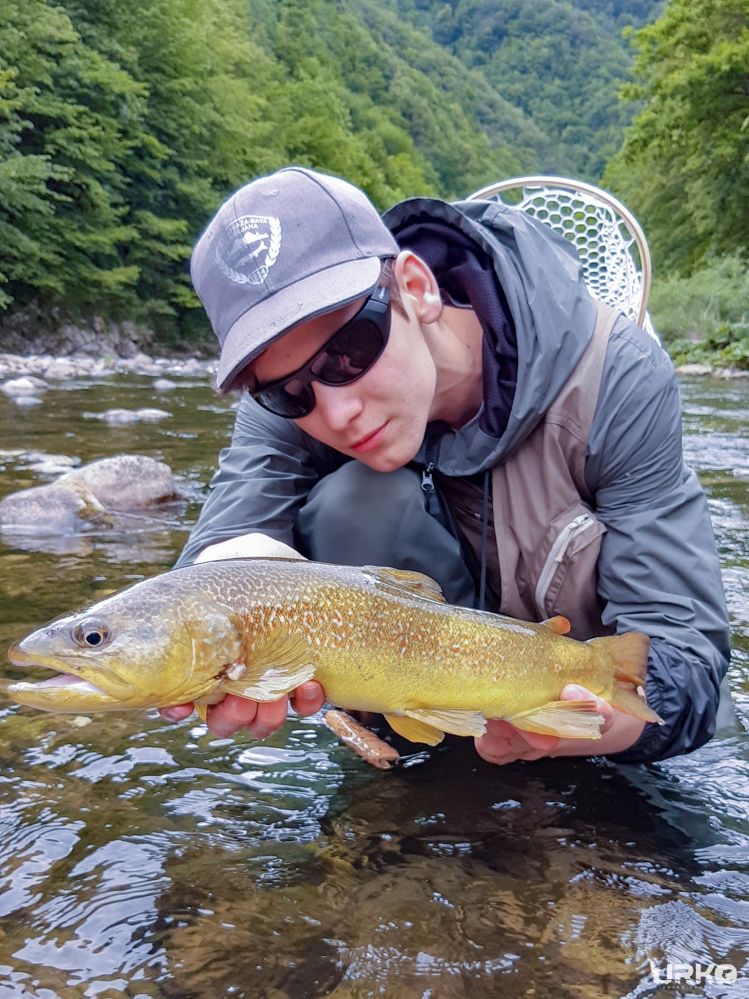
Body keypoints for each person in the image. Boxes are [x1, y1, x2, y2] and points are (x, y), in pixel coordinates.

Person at [160, 166, 730, 765]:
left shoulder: (618, 377)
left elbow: (680, 650)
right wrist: (212, 616)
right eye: (285, 392)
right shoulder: (295, 402)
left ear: (416, 288)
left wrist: (591, 724)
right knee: (352, 504)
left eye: (349, 351)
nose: (338, 410)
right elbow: (225, 545)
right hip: (424, 712)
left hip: (580, 703)